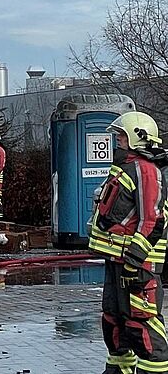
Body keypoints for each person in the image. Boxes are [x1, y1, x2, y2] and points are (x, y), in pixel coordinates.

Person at [88, 111, 168, 374]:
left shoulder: (146, 170)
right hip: (117, 261)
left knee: (142, 324)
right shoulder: (127, 169)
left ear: (137, 138)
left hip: (138, 264)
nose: (116, 142)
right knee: (114, 321)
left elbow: (152, 220)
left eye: (121, 137)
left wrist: (134, 260)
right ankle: (118, 369)